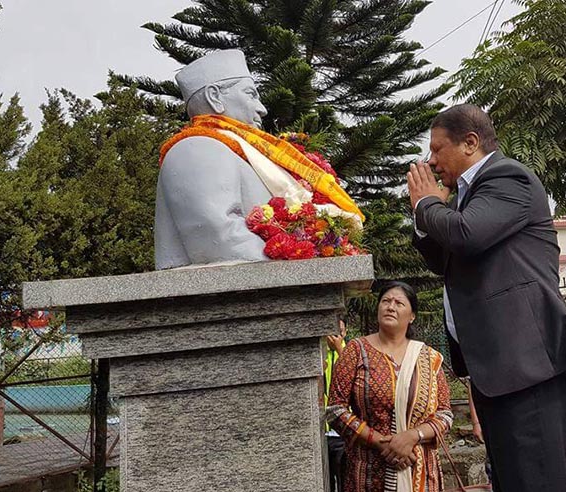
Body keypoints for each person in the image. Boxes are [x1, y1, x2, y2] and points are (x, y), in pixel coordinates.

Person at [406, 103, 566, 492]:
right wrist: (426, 215)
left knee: (538, 480)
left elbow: (466, 235)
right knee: (512, 480)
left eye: (438, 149)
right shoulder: (465, 196)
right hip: (499, 369)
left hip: (528, 364)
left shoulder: (507, 178)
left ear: (470, 143)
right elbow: (444, 258)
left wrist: (427, 204)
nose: (432, 160)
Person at [155, 49, 363, 269]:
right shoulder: (195, 147)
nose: (262, 109)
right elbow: (217, 237)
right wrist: (306, 269)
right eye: (250, 94)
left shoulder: (235, 153)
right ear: (214, 97)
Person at [327, 281, 454, 492]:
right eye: (385, 301)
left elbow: (445, 415)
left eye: (399, 303)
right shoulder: (355, 351)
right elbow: (335, 410)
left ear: (412, 315)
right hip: (368, 471)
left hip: (419, 472)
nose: (390, 306)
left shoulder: (428, 358)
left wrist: (412, 436)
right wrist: (379, 441)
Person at [324, 317, 348, 492]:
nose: (335, 335)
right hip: (322, 431)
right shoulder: (319, 354)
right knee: (326, 480)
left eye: (339, 331)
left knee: (345, 478)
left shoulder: (350, 353)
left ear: (345, 332)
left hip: (343, 431)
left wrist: (340, 350)